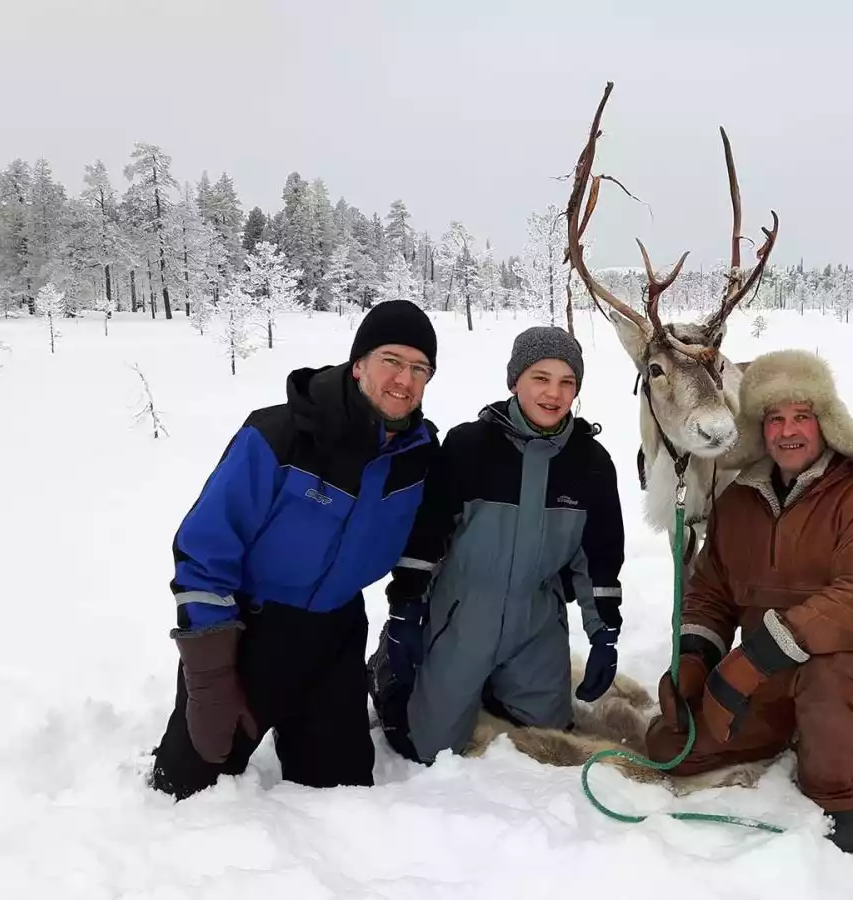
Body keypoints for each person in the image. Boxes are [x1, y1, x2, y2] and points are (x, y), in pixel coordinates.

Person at [148, 300, 442, 800]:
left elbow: (423, 542)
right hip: (249, 633)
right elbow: (203, 550)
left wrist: (409, 616)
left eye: (420, 369)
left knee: (342, 795)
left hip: (335, 637)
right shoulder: (279, 435)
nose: (405, 380)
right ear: (358, 364)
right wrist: (210, 674)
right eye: (391, 360)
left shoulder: (417, 457)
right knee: (186, 791)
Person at [643, 348, 853, 854]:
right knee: (670, 747)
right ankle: (787, 727)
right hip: (772, 670)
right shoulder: (739, 501)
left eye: (801, 417)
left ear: (826, 422)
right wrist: (696, 659)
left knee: (828, 682)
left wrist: (750, 662)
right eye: (775, 419)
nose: (788, 431)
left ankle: (833, 801)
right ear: (760, 428)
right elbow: (709, 593)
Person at [367, 325, 625, 763]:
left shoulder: (591, 463)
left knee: (548, 735)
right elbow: (426, 536)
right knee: (429, 748)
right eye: (540, 378)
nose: (553, 393)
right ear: (514, 382)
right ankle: (389, 676)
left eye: (567, 382)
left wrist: (604, 637)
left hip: (537, 621)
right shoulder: (470, 445)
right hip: (462, 613)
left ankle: (495, 682)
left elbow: (598, 562)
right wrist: (406, 609)